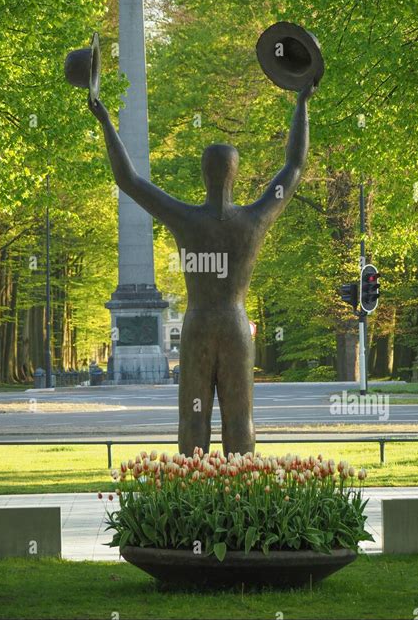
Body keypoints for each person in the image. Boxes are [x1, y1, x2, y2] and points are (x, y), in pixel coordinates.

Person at [88, 81, 317, 455]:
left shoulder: (186, 219)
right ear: (235, 174)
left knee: (192, 418)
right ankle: (240, 493)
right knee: (240, 418)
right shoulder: (253, 220)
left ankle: (192, 494)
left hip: (197, 326)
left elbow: (128, 180)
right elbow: (293, 166)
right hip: (234, 326)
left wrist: (104, 118)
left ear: (203, 175)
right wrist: (301, 102)